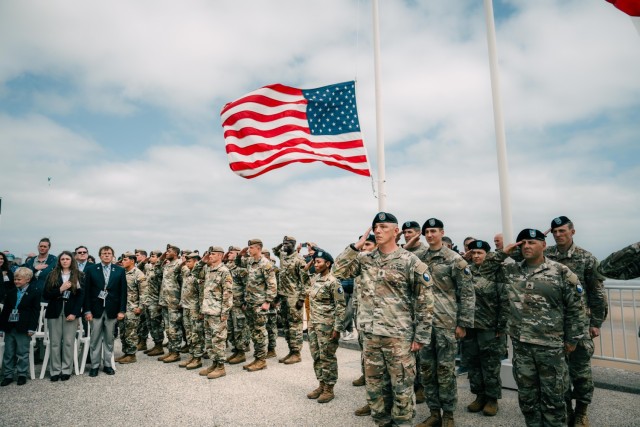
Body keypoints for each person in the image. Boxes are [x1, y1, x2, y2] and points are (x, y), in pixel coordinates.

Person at [334, 212, 434, 427]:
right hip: (370, 335)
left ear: (395, 231)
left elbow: (424, 301)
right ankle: (381, 421)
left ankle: (403, 423)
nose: (377, 231)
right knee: (374, 387)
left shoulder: (409, 261)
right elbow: (338, 271)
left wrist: (421, 336)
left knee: (402, 387)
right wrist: (355, 247)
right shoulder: (365, 259)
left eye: (383, 227)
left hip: (398, 336)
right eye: (375, 227)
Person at [481, 228, 583, 427]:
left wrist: (572, 340)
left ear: (543, 245)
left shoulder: (561, 272)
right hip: (522, 346)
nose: (527, 246)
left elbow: (576, 308)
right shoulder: (510, 271)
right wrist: (505, 252)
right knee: (527, 399)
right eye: (523, 243)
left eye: (532, 242)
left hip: (550, 347)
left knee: (554, 399)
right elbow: (484, 269)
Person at [545, 216, 607, 426]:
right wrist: (539, 236)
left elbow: (597, 294)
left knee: (580, 372)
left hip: (579, 325)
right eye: (554, 232)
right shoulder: (545, 255)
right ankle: (564, 411)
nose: (558, 235)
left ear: (573, 232)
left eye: (562, 231)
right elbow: (520, 254)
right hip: (552, 325)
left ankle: (581, 411)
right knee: (557, 374)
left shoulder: (586, 258)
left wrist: (596, 323)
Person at [415, 218, 475, 427]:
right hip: (423, 324)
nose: (429, 235)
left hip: (446, 323)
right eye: (426, 232)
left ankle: (448, 414)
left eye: (433, 231)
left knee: (446, 371)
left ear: (442, 232)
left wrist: (463, 323)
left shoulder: (455, 260)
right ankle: (433, 413)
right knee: (427, 370)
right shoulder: (418, 258)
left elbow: (467, 293)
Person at [460, 240, 508, 416]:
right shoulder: (467, 271)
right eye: (473, 253)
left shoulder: (497, 272)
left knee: (490, 365)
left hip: (490, 327)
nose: (476, 256)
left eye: (480, 252)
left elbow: (505, 299)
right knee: (473, 364)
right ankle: (479, 396)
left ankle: (492, 399)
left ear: (487, 255)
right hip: (471, 326)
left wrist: (502, 325)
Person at [306, 249, 346, 403]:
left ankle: (329, 388)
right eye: (314, 261)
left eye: (318, 262)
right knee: (316, 355)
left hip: (327, 326)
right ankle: (321, 384)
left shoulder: (333, 281)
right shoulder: (315, 279)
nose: (315, 264)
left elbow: (340, 306)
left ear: (327, 264)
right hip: (314, 324)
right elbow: (303, 273)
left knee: (327, 357)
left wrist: (337, 328)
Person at [83, 246, 127, 377]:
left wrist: (122, 310)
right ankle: (95, 366)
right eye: (104, 253)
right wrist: (87, 310)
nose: (106, 255)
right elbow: (86, 292)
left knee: (109, 339)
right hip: (95, 309)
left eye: (109, 253)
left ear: (113, 256)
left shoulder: (119, 270)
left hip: (112, 309)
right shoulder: (91, 269)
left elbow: (123, 292)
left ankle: (108, 364)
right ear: (100, 255)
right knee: (95, 339)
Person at [235, 239, 277, 372]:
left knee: (260, 332)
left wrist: (268, 302)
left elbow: (272, 284)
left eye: (251, 248)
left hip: (259, 303)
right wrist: (241, 253)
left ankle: (261, 360)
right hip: (250, 302)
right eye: (249, 248)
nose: (249, 250)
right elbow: (237, 263)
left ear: (258, 248)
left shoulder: (266, 264)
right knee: (254, 331)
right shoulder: (250, 261)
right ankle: (257, 358)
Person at [43, 251, 85, 381]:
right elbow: (46, 294)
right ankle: (55, 371)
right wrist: (60, 289)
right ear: (59, 261)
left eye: (67, 259)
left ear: (72, 260)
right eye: (62, 259)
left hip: (70, 312)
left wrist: (75, 313)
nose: (65, 261)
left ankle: (66, 369)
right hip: (54, 311)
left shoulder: (78, 275)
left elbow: (81, 297)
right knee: (55, 343)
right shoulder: (52, 275)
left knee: (68, 342)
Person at [195, 247, 232, 379]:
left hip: (217, 312)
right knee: (209, 340)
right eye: (209, 254)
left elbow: (227, 294)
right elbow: (194, 274)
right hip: (207, 310)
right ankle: (214, 363)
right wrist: (202, 261)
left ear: (221, 256)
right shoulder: (207, 269)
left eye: (213, 254)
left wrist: (225, 312)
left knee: (219, 340)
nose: (210, 256)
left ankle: (221, 367)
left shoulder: (224, 272)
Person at [0, 267, 40, 386]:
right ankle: (8, 374)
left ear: (27, 279)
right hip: (10, 326)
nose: (16, 281)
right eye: (15, 279)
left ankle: (22, 374)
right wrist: (2, 327)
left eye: (19, 279)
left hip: (24, 327)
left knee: (22, 352)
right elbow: (6, 310)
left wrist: (32, 327)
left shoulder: (34, 292)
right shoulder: (11, 292)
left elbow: (35, 311)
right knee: (9, 352)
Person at [273, 236, 310, 364]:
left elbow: (306, 281)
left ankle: (296, 353)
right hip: (283, 296)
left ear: (294, 244)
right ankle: (290, 351)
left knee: (295, 326)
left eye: (288, 243)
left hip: (294, 298)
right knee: (286, 326)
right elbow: (274, 251)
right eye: (284, 243)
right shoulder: (283, 256)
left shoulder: (299, 260)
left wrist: (301, 298)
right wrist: (281, 244)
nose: (285, 245)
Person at [155, 245, 184, 363]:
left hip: (174, 301)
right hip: (165, 301)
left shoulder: (179, 264)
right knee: (168, 328)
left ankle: (176, 352)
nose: (166, 252)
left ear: (176, 253)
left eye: (169, 251)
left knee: (174, 328)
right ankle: (171, 351)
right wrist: (161, 259)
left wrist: (181, 300)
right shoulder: (166, 265)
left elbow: (184, 283)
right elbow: (157, 272)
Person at [116, 252, 146, 364]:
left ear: (132, 261)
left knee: (131, 332)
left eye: (125, 259)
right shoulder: (122, 272)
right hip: (123, 308)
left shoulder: (138, 274)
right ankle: (126, 353)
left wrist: (140, 307)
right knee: (123, 332)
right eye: (122, 260)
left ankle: (132, 354)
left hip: (133, 308)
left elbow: (144, 292)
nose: (122, 261)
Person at [178, 253, 205, 370]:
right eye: (186, 261)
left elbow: (202, 294)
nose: (186, 263)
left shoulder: (200, 274)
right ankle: (192, 355)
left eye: (189, 261)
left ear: (196, 262)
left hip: (195, 308)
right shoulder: (186, 272)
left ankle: (197, 358)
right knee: (189, 333)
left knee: (196, 334)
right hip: (186, 307)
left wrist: (201, 310)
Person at [225, 246, 250, 364]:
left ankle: (241, 353)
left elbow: (247, 286)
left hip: (238, 304)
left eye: (231, 252)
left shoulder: (241, 269)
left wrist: (245, 301)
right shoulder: (228, 268)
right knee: (230, 329)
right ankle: (236, 350)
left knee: (239, 329)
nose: (228, 254)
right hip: (229, 303)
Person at [140, 250, 165, 356]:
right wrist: (144, 260)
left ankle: (159, 346)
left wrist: (160, 302)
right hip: (148, 300)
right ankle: (155, 345)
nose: (150, 258)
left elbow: (163, 287)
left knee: (156, 324)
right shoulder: (148, 267)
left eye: (153, 256)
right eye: (150, 256)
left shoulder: (161, 269)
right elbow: (140, 267)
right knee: (149, 324)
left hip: (156, 301)